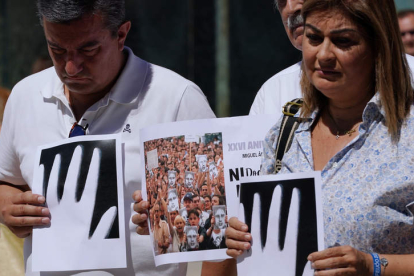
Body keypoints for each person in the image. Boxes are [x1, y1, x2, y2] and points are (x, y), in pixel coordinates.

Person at [0, 0, 215, 275]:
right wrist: (7, 205)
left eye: (88, 50)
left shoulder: (176, 100)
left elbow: (216, 227)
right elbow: (7, 180)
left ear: (121, 34)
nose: (71, 67)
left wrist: (173, 220)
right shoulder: (25, 96)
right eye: (56, 49)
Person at [227, 0, 414, 274]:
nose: (324, 54)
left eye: (343, 41)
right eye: (314, 38)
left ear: (378, 46)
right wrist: (231, 243)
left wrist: (374, 265)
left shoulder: (407, 133)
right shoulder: (285, 133)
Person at [249, 0, 414, 116]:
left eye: (343, 41)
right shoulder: (272, 92)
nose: (291, 8)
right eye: (282, 1)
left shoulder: (410, 74)